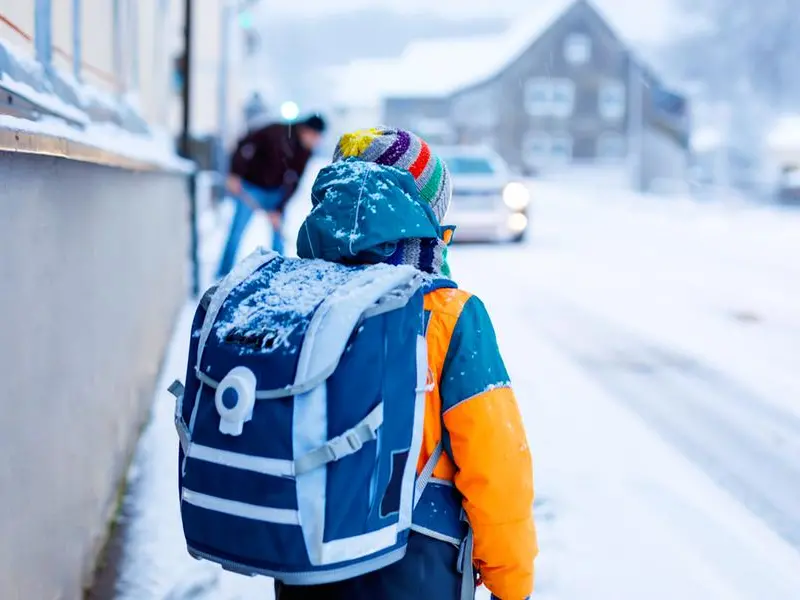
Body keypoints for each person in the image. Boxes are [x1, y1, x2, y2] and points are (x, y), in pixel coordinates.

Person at [276, 127, 538, 600]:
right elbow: (497, 466)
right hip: (414, 564)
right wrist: (511, 583)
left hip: (305, 559)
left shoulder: (294, 298)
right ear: (419, 214)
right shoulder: (449, 314)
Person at [216, 114, 326, 278]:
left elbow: (294, 181)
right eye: (314, 136)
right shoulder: (275, 131)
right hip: (251, 187)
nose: (316, 141)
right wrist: (235, 173)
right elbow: (245, 144)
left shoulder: (305, 151)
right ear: (305, 130)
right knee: (237, 230)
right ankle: (223, 272)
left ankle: (277, 272)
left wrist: (279, 209)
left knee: (278, 235)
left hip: (276, 192)